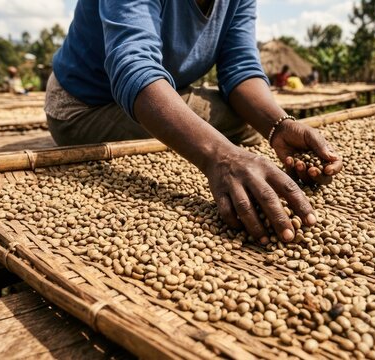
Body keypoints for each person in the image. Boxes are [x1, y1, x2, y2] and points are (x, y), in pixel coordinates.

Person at [46, 0, 343, 244]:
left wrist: (278, 124)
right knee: (234, 128)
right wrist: (220, 156)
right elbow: (132, 64)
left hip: (156, 89)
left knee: (249, 120)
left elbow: (239, 65)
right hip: (83, 106)